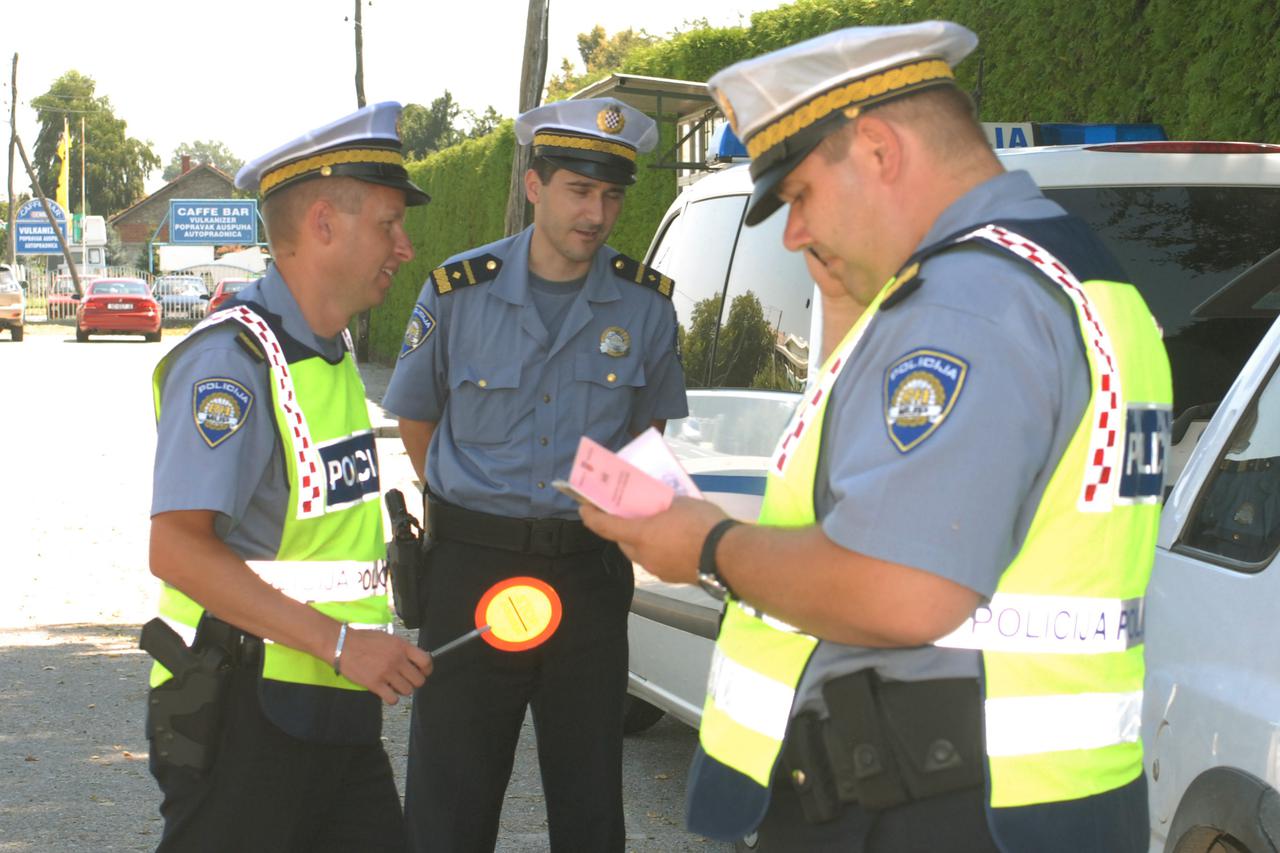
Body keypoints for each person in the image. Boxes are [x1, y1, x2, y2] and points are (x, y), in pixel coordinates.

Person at [581, 21, 1173, 853]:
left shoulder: (967, 302)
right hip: (1035, 801)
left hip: (930, 802)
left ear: (878, 149)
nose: (790, 235)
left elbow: (905, 589)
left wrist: (705, 545)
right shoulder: (1077, 278)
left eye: (798, 197)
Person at [383, 97, 687, 852]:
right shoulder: (461, 292)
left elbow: (648, 432)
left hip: (588, 572)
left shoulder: (645, 306)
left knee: (589, 798)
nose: (597, 213)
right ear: (534, 185)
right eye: (580, 191)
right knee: (451, 796)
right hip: (470, 572)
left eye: (612, 195)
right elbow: (419, 419)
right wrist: (477, 510)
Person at [145, 102, 434, 852]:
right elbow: (177, 550)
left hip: (331, 709)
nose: (404, 247)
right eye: (389, 223)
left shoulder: (331, 355)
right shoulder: (232, 362)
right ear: (323, 226)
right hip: (244, 712)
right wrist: (343, 644)